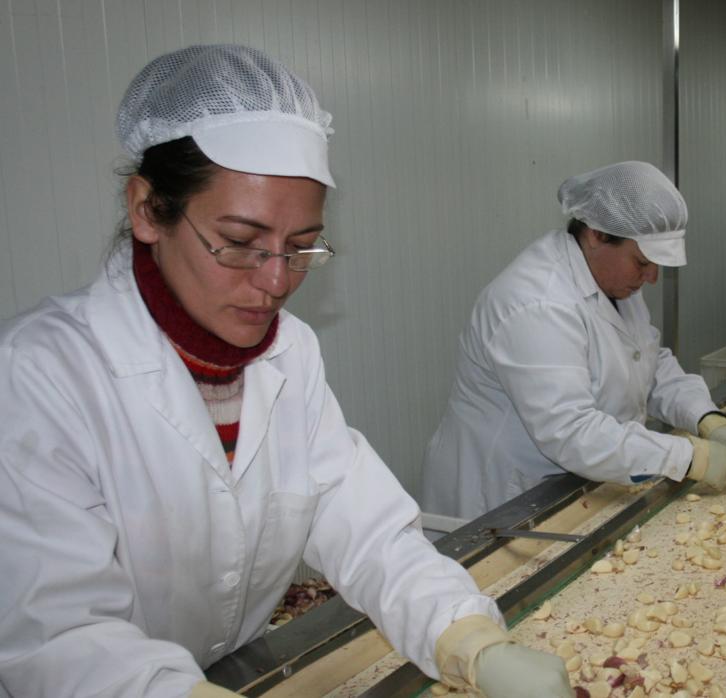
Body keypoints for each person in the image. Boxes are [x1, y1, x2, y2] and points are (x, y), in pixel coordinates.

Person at [0, 45, 570, 698]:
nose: (276, 281)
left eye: (301, 248)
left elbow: (365, 529)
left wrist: (467, 638)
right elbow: (59, 637)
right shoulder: (39, 375)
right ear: (147, 210)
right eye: (240, 242)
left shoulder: (287, 354)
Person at [421, 161, 726, 520]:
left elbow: (645, 361)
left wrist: (704, 415)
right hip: (506, 497)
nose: (652, 277)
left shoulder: (612, 281)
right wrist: (687, 458)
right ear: (596, 234)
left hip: (572, 486)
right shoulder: (537, 303)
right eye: (642, 262)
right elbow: (572, 432)